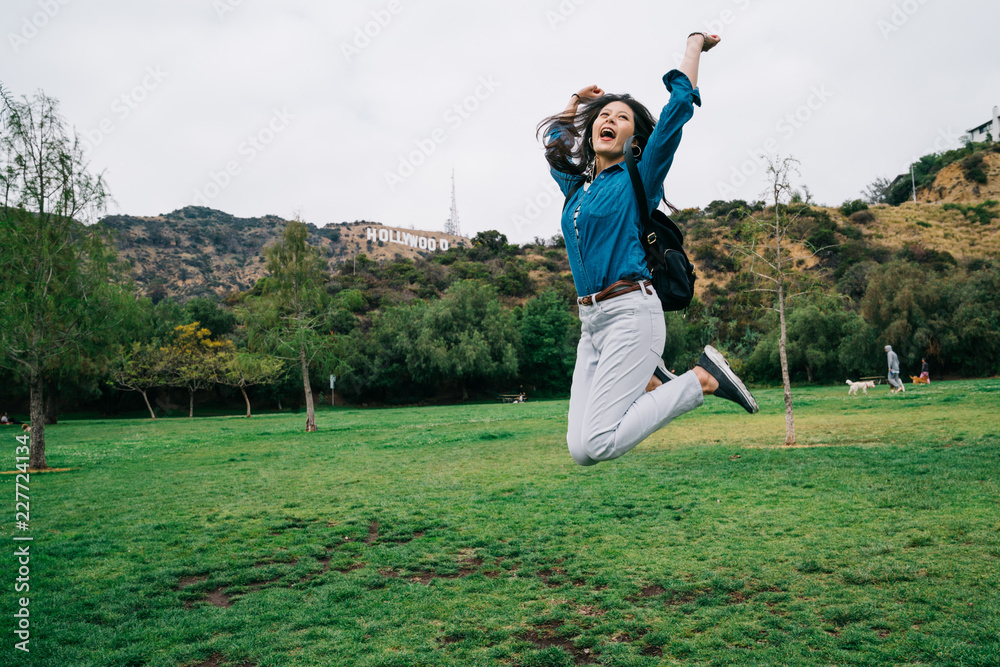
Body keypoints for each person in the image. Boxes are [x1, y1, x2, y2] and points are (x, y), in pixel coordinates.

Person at [537, 31, 758, 467]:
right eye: (603, 115)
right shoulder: (576, 191)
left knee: (599, 442)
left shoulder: (641, 175)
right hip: (592, 322)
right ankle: (655, 379)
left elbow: (678, 110)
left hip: (631, 313)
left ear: (634, 140)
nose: (609, 119)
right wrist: (575, 101)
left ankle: (701, 379)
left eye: (621, 118)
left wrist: (693, 47)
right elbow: (555, 147)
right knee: (582, 451)